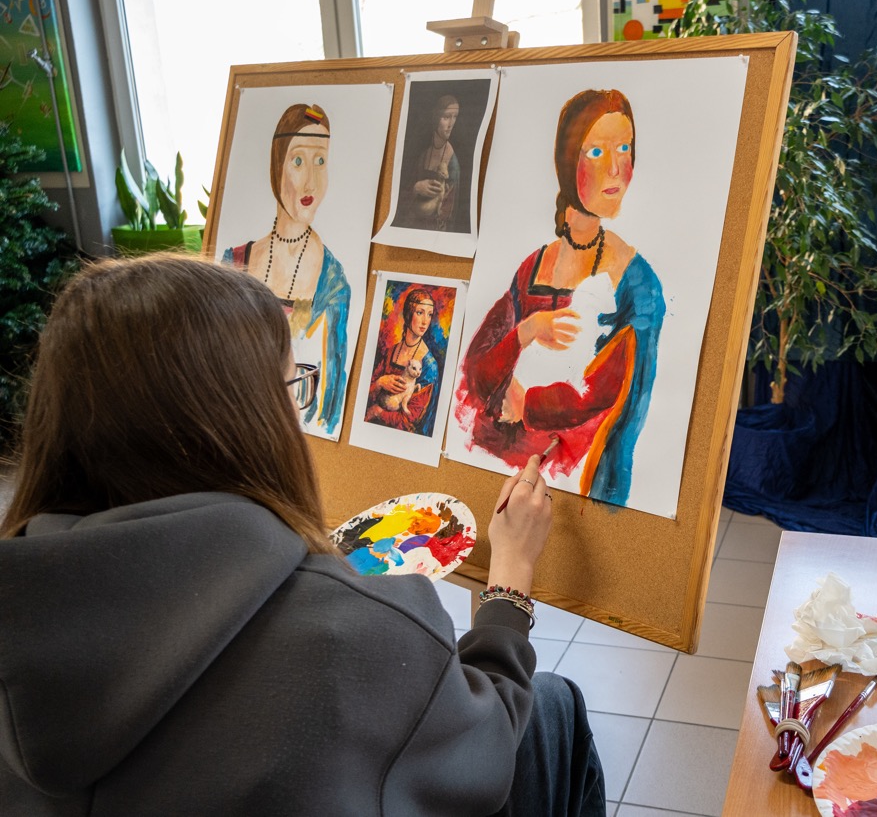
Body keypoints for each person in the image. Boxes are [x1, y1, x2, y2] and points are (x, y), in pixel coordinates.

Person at [0, 254, 606, 815]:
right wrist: (510, 582)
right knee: (553, 706)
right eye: (293, 389)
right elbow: (485, 755)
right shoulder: (364, 630)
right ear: (244, 422)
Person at [454, 89, 664, 506]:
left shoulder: (636, 282)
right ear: (568, 163)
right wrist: (526, 331)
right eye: (597, 152)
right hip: (487, 471)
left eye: (625, 149)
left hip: (570, 484)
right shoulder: (533, 266)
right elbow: (475, 371)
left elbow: (606, 397)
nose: (616, 168)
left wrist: (526, 403)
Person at [222, 102, 351, 437]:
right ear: (276, 164)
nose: (310, 182)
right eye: (298, 161)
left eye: (320, 161)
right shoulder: (234, 262)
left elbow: (330, 408)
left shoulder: (334, 283)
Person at [365, 285, 449, 436]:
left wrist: (377, 412)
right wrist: (380, 383)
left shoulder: (429, 366)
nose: (425, 321)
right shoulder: (391, 352)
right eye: (420, 313)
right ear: (409, 314)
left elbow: (410, 420)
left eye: (429, 314)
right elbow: (365, 394)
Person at [400, 94, 462, 232]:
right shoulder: (423, 153)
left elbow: (447, 214)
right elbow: (401, 193)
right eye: (446, 117)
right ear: (436, 118)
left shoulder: (452, 164)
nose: (451, 124)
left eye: (455, 117)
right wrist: (416, 187)